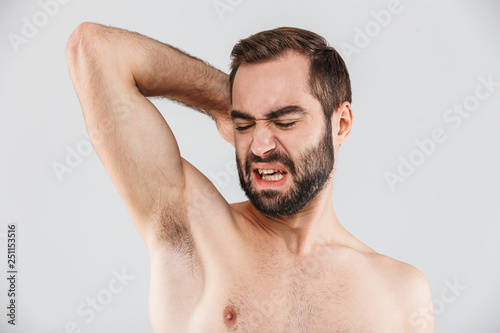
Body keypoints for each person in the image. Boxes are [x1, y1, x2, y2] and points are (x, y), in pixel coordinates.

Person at [66, 22, 435, 332]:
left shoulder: (400, 292)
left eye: (284, 121)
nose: (259, 146)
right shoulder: (193, 230)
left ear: (341, 123)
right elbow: (93, 48)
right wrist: (223, 98)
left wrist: (249, 112)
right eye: (244, 124)